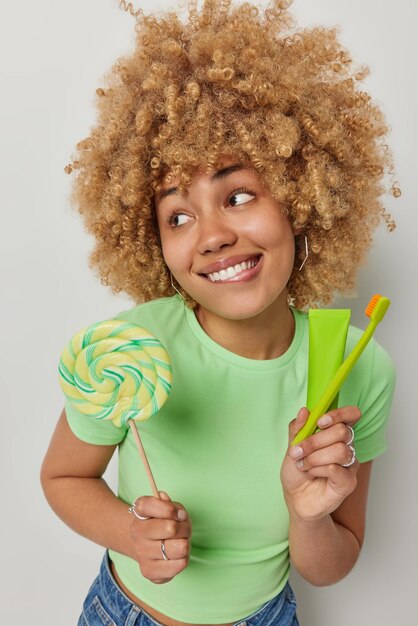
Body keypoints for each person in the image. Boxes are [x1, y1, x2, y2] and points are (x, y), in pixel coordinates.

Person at [41, 1, 397, 624]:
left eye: (237, 195)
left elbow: (330, 565)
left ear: (299, 197)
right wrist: (130, 535)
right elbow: (64, 479)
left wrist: (308, 512)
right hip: (122, 611)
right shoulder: (130, 349)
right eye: (177, 215)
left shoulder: (357, 367)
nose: (210, 235)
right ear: (153, 243)